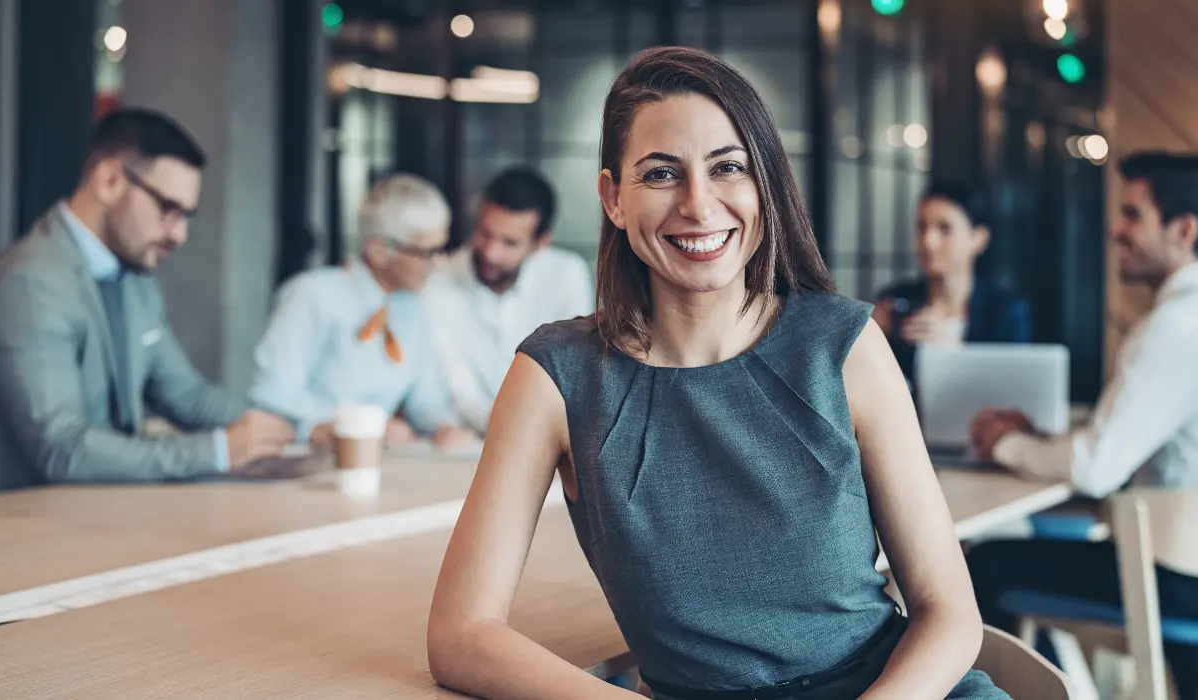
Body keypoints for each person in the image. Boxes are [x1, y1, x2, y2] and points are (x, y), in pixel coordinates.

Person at [427, 47, 1008, 700]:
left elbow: (950, 614)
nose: (699, 207)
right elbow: (460, 635)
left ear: (762, 183)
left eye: (727, 168)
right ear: (613, 199)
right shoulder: (556, 377)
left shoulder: (844, 345)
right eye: (661, 175)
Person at [968, 152, 1198, 698]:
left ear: (1186, 230)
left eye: (1133, 216)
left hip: (1181, 578)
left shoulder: (1175, 326)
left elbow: (1096, 468)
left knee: (984, 569)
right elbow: (1124, 448)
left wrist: (1008, 444)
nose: (1116, 229)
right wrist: (1041, 442)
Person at [0, 108, 294, 490]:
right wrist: (218, 451)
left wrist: (290, 432)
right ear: (109, 181)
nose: (179, 234)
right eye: (169, 210)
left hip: (100, 518)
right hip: (26, 530)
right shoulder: (31, 281)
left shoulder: (135, 278)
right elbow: (62, 449)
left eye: (187, 216)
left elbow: (188, 396)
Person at [251, 174, 477, 449]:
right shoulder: (312, 295)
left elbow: (426, 399)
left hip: (381, 463)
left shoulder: (414, 308)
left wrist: (444, 427)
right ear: (379, 251)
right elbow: (272, 396)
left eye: (441, 250)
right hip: (306, 462)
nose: (439, 264)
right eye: (426, 253)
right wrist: (350, 425)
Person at [422, 166, 594, 435]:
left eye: (510, 243)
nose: (491, 253)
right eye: (484, 233)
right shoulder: (437, 281)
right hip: (467, 437)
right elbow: (453, 383)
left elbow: (574, 371)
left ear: (540, 243)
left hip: (547, 434)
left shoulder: (566, 276)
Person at [873, 182, 1031, 381]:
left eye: (944, 229)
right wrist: (872, 337)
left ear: (978, 238)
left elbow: (1013, 386)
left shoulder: (1006, 311)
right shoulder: (895, 302)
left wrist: (956, 354)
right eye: (922, 227)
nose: (928, 241)